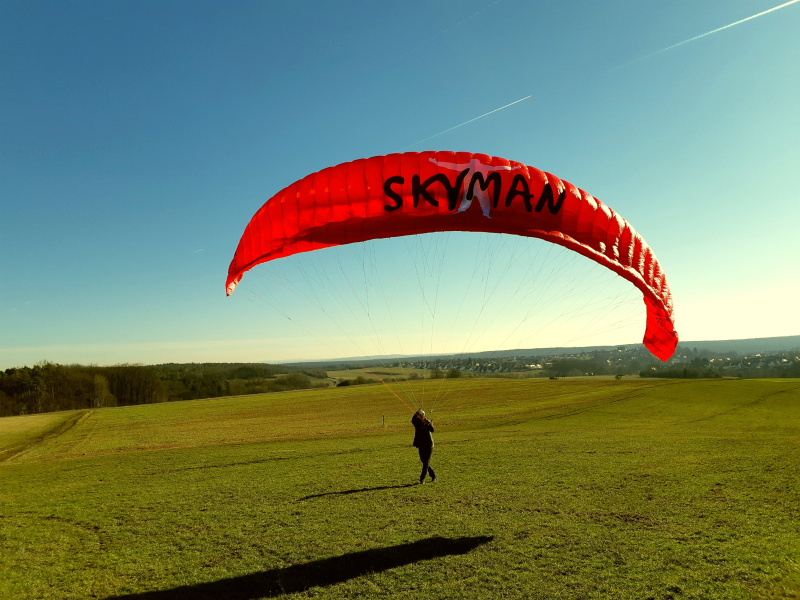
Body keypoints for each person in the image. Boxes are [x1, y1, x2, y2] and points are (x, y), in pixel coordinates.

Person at [411, 409, 436, 484]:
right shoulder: (417, 422)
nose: (421, 416)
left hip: (429, 444)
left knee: (426, 463)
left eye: (421, 414)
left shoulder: (427, 421)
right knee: (424, 461)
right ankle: (433, 476)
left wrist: (430, 424)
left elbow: (432, 430)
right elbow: (412, 420)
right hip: (421, 444)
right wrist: (416, 413)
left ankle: (422, 479)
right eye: (419, 415)